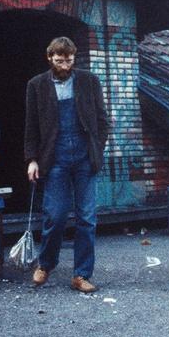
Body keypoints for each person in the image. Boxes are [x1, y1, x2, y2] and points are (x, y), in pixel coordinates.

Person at [26, 37, 110, 294]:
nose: (65, 65)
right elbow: (31, 125)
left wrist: (97, 147)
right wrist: (31, 159)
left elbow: (101, 119)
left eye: (69, 60)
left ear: (75, 58)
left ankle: (81, 275)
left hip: (85, 157)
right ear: (50, 57)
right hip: (55, 158)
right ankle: (46, 263)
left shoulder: (89, 80)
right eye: (60, 60)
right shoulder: (36, 85)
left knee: (87, 218)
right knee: (56, 215)